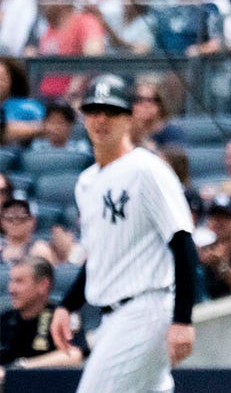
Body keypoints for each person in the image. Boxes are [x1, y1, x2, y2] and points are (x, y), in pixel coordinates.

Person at [49, 74, 198, 390]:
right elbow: (100, 256)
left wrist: (183, 319)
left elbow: (182, 241)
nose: (101, 119)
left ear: (129, 118)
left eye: (112, 111)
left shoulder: (147, 170)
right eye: (93, 111)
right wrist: (67, 305)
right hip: (113, 316)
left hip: (145, 308)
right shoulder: (87, 181)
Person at [1, 256, 85, 372]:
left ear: (43, 285)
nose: (11, 289)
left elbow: (74, 355)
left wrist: (19, 368)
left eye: (19, 281)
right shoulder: (4, 318)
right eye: (11, 281)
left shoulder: (60, 316)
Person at [0, 199, 54, 265]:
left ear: (32, 221)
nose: (15, 222)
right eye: (10, 218)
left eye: (21, 218)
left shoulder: (40, 251)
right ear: (2, 221)